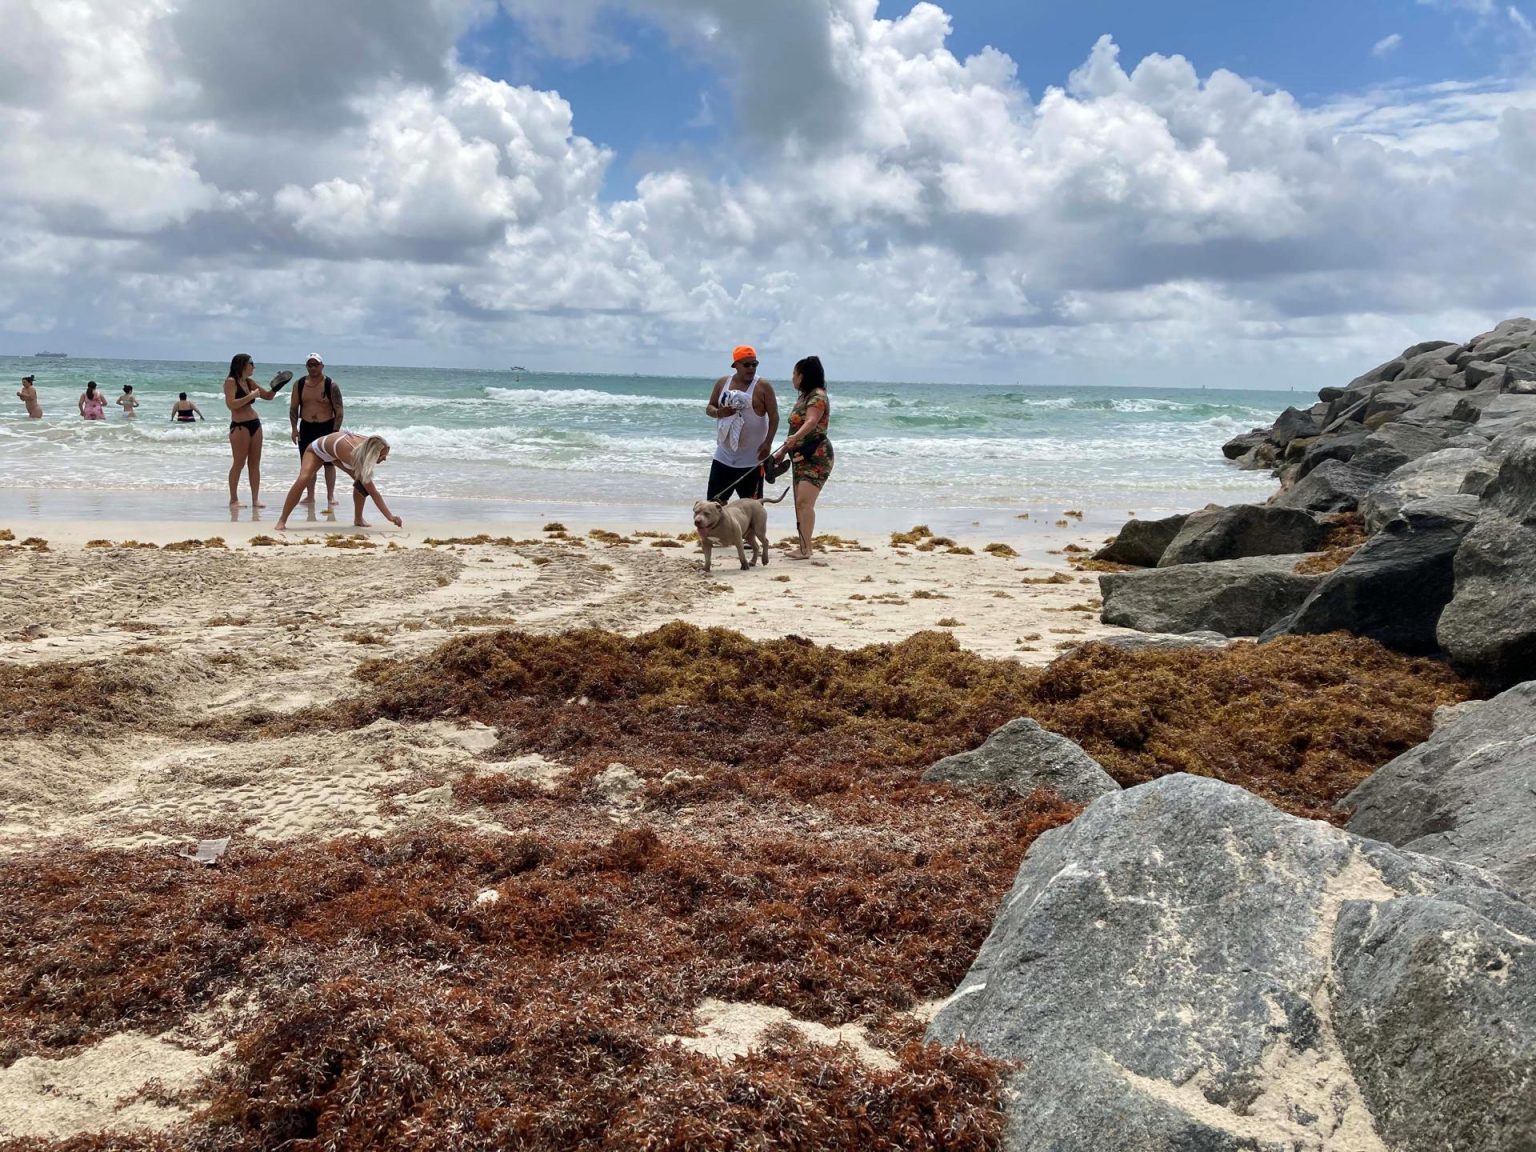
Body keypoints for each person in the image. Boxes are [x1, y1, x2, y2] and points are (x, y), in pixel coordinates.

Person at [274, 429, 403, 531]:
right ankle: (282, 520)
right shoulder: (353, 454)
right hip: (316, 450)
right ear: (372, 453)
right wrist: (390, 517)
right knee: (304, 478)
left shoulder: (369, 444)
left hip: (337, 452)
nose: (384, 459)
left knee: (361, 482)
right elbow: (374, 492)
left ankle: (358, 519)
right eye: (382, 456)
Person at [771, 355, 834, 560]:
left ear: (803, 375)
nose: (792, 378)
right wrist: (781, 451)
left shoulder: (817, 396)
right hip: (799, 455)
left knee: (804, 502)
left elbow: (812, 421)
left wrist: (795, 437)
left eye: (794, 373)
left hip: (817, 455)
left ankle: (806, 549)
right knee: (800, 503)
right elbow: (795, 427)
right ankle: (803, 546)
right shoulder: (804, 397)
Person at [704, 344, 777, 501]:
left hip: (752, 461)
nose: (751, 368)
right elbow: (709, 408)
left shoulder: (763, 387)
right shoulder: (723, 383)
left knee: (753, 511)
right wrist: (719, 412)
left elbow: (774, 417)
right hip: (723, 457)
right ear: (735, 365)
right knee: (713, 507)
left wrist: (768, 443)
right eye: (746, 365)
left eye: (754, 364)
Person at [223, 353, 281, 507]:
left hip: (255, 424)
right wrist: (250, 396)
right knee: (239, 463)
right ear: (242, 365)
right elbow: (231, 404)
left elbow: (268, 396)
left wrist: (278, 385)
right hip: (240, 426)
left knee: (255, 463)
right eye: (251, 363)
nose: (253, 366)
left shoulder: (249, 382)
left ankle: (255, 499)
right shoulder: (230, 382)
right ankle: (234, 499)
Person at [288, 353, 344, 507]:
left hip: (326, 427)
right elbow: (294, 408)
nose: (313, 368)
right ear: (307, 366)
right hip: (306, 427)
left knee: (329, 463)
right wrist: (294, 429)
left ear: (322, 366)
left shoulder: (330, 385)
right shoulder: (299, 384)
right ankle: (310, 496)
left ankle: (330, 496)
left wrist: (335, 432)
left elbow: (339, 411)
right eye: (310, 365)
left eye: (316, 364)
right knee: (308, 464)